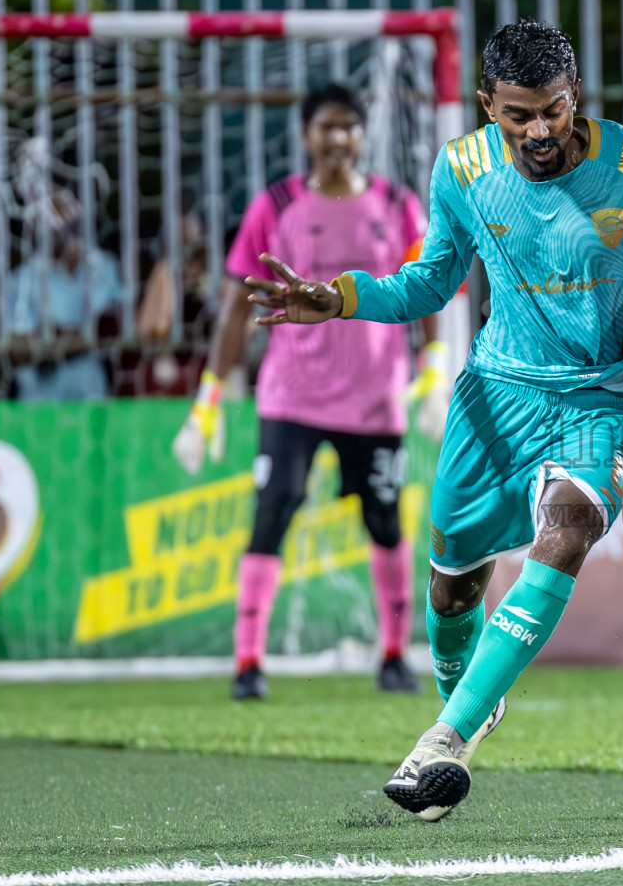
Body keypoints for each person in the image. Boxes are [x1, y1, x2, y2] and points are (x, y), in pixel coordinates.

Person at [241, 21, 623, 822]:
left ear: (576, 96)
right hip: (495, 398)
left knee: (568, 530)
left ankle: (445, 739)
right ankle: (470, 707)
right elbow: (428, 283)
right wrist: (340, 297)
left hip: (600, 396)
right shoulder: (461, 170)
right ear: (488, 105)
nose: (538, 131)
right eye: (518, 114)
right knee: (452, 590)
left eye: (553, 111)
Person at [170, 83, 449, 701]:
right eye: (327, 126)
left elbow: (427, 284)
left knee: (384, 521)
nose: (339, 137)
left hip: (375, 398)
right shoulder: (275, 206)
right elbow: (236, 306)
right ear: (305, 135)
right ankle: (247, 663)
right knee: (272, 515)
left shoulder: (398, 205)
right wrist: (208, 396)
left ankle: (395, 655)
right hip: (291, 397)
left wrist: (434, 365)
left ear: (361, 134)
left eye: (350, 125)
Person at [4, 192, 125, 401]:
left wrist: (53, 336)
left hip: (92, 393)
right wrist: (81, 337)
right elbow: (19, 350)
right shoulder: (23, 279)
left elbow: (116, 332)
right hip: (40, 395)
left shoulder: (103, 268)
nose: (60, 228)